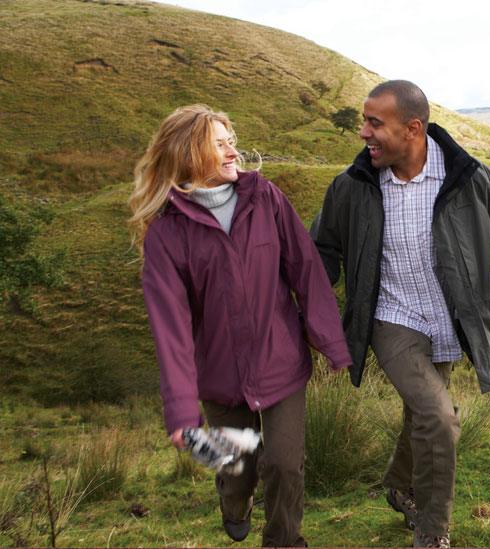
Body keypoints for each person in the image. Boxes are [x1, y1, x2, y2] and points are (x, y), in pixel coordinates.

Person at [312, 80, 490, 548]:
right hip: (391, 319)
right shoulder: (351, 187)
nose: (363, 133)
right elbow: (320, 251)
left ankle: (398, 485)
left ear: (413, 128)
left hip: (449, 322)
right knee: (439, 417)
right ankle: (433, 534)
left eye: (375, 123)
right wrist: (297, 305)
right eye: (364, 121)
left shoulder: (469, 179)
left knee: (422, 416)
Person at [128, 104, 351, 547]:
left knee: (286, 464)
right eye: (220, 144)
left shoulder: (265, 198)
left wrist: (333, 345)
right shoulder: (167, 235)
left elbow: (305, 271)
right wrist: (180, 410)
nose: (234, 153)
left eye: (232, 141)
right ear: (190, 155)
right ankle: (234, 500)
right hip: (220, 375)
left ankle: (284, 540)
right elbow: (170, 328)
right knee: (237, 468)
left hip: (280, 361)